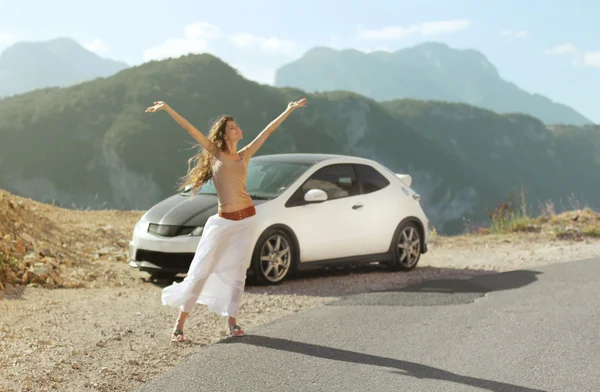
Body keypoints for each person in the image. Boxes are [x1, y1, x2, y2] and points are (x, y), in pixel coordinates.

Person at [144, 97, 307, 342]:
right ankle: (179, 325)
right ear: (224, 134)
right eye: (232, 127)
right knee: (201, 269)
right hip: (223, 223)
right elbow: (189, 128)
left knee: (237, 271)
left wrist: (288, 109)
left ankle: (232, 323)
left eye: (237, 126)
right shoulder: (215, 153)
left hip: (247, 220)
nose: (237, 129)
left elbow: (268, 131)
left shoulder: (244, 155)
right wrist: (167, 108)